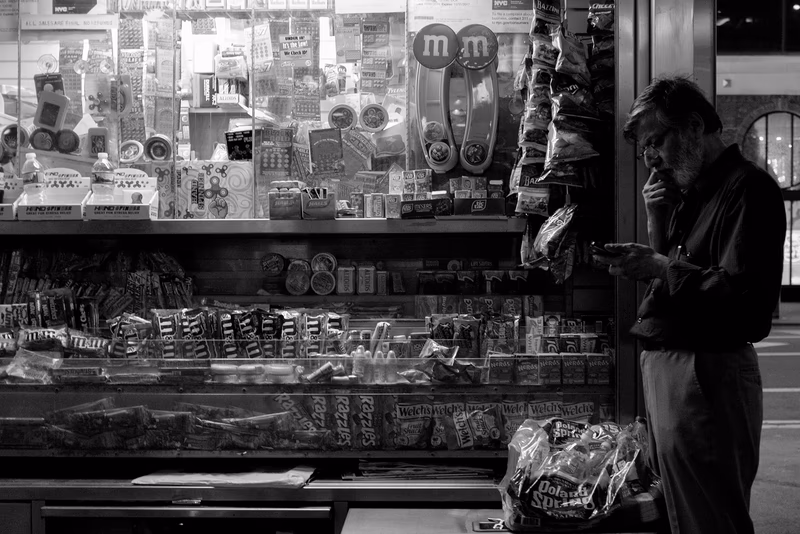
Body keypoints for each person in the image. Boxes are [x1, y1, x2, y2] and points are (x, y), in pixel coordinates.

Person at [593, 75, 786, 534]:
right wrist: (656, 225)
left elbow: (744, 299)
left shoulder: (747, 189)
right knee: (684, 513)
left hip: (705, 371)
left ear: (694, 126)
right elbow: (680, 281)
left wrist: (659, 267)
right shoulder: (691, 194)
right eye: (644, 150)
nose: (650, 159)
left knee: (710, 517)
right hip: (679, 370)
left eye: (656, 141)